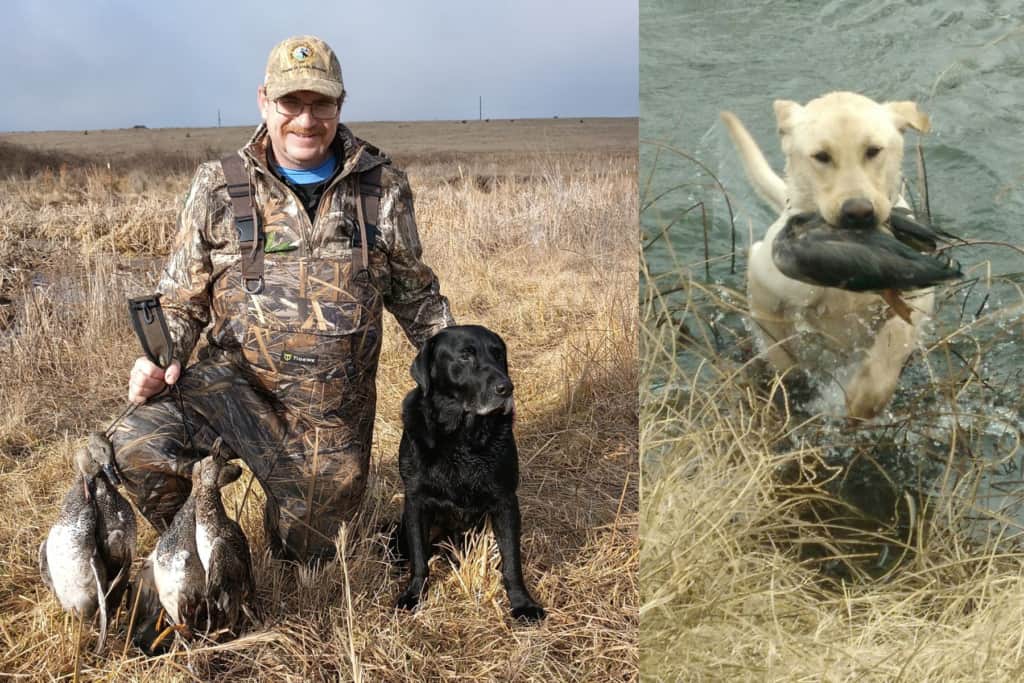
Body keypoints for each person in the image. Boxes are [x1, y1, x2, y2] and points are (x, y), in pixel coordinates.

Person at [112, 35, 453, 562]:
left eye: (321, 104)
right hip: (232, 392)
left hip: (328, 420)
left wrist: (461, 369)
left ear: (340, 105)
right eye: (291, 103)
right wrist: (162, 359)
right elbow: (181, 302)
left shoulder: (381, 187)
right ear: (264, 101)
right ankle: (210, 548)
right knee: (136, 444)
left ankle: (290, 524)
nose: (306, 120)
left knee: (307, 561)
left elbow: (416, 297)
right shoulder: (218, 186)